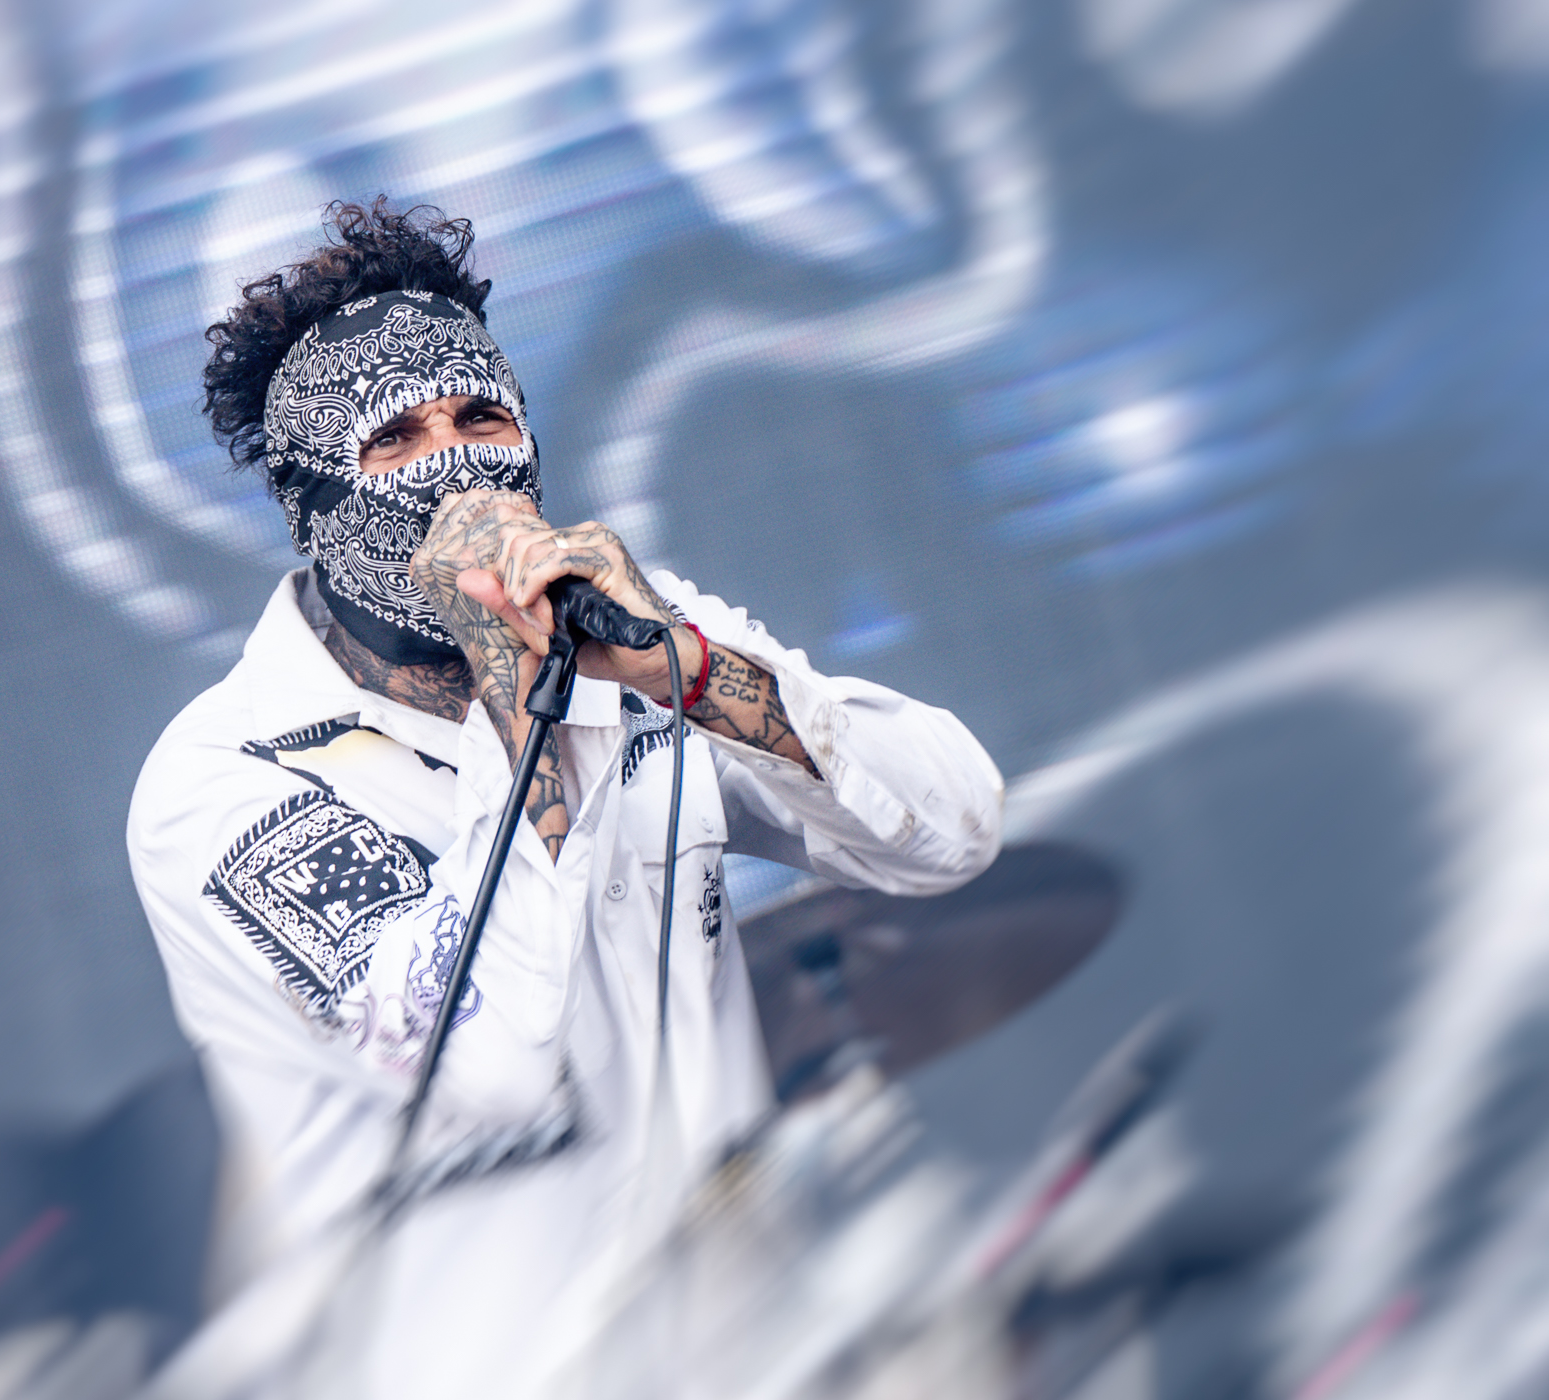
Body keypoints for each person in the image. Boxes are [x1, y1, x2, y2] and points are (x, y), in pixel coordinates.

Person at [126, 199, 1003, 1393]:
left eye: (481, 415)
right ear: (306, 503)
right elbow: (492, 1058)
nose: (458, 466)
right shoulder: (226, 780)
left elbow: (953, 829)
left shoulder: (633, 631)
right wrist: (513, 683)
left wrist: (685, 669)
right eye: (396, 437)